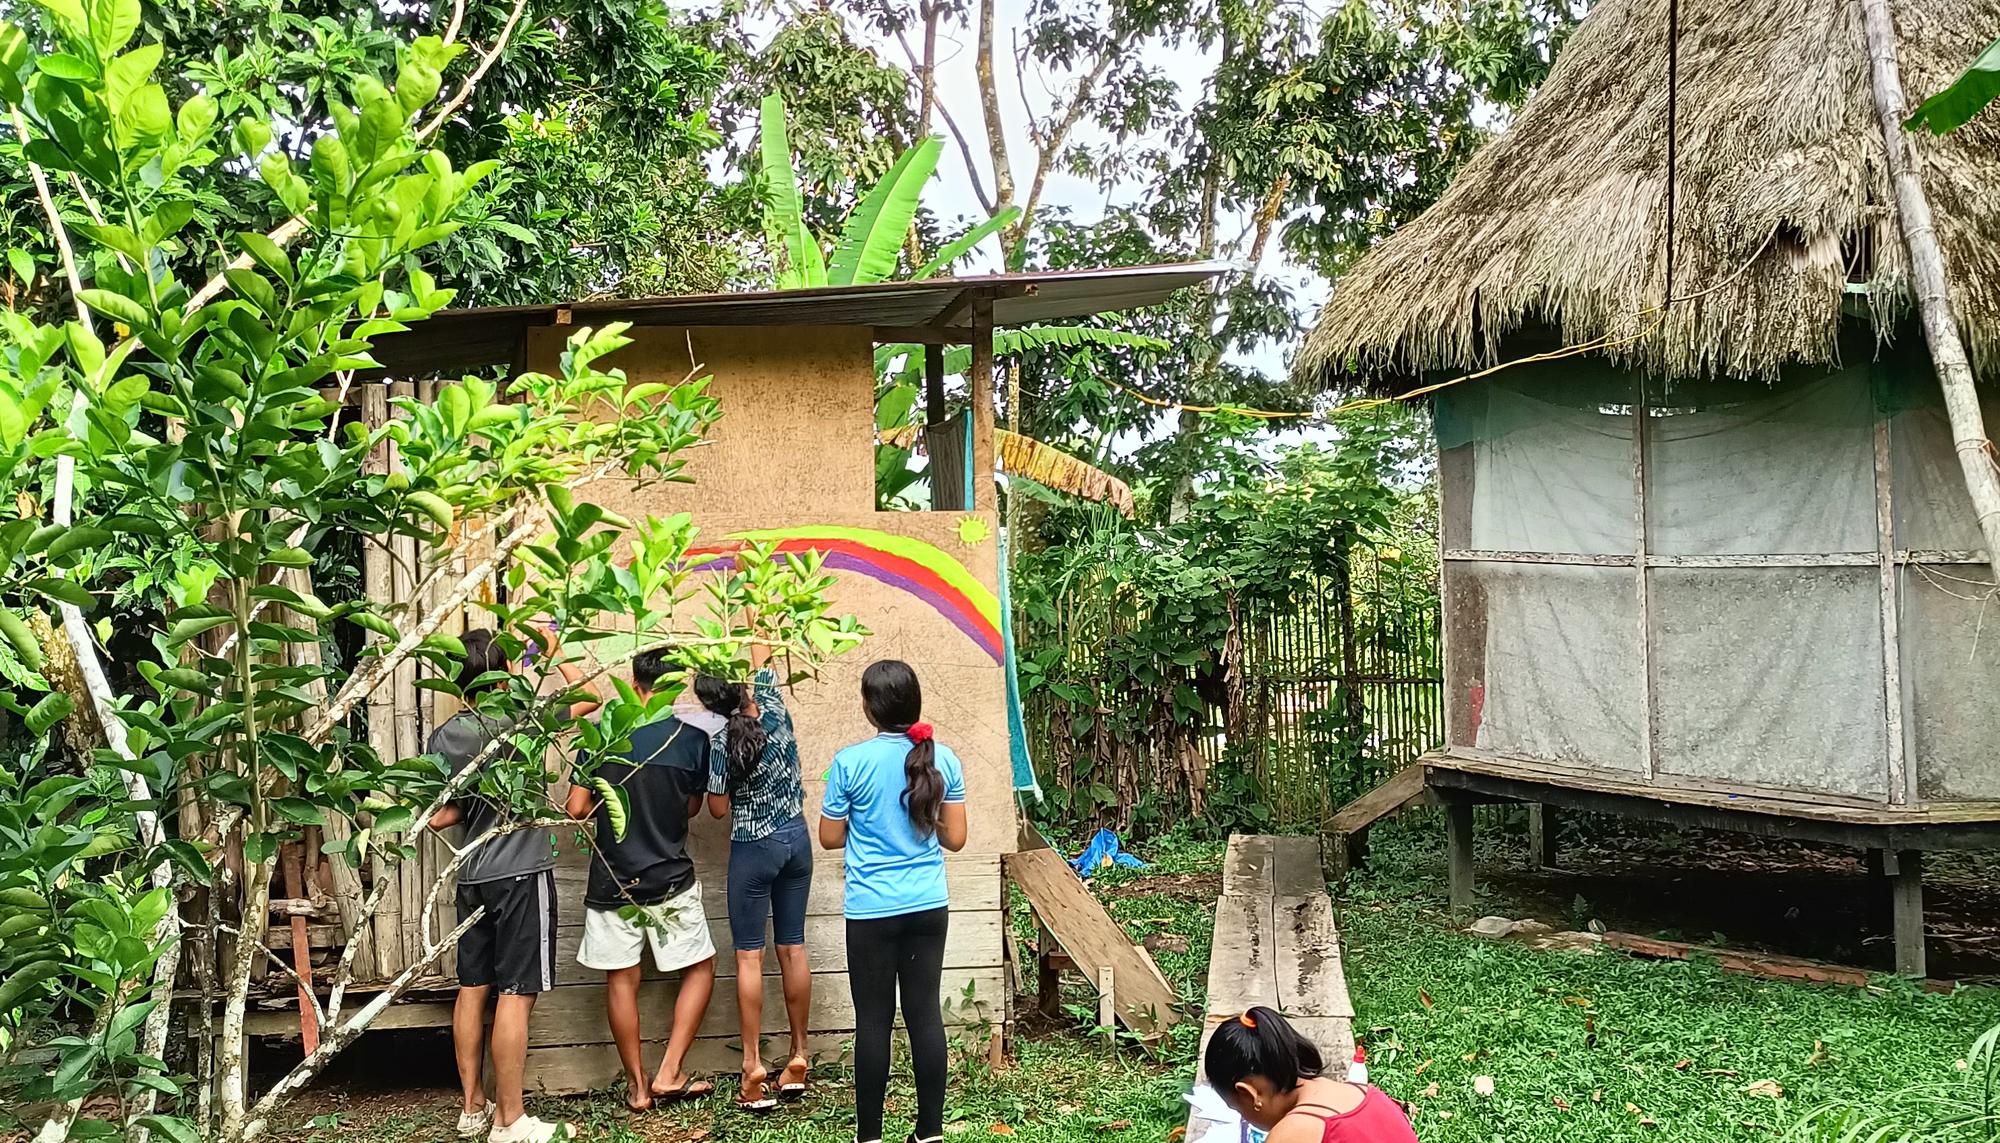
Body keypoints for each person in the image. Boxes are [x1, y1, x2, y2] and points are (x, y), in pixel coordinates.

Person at [429, 625, 598, 1143]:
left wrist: (479, 806)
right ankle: (510, 1121)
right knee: (517, 994)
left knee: (473, 989)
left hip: (473, 872)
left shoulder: (445, 736)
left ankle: (472, 1108)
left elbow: (439, 817)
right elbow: (589, 696)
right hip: (521, 871)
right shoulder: (520, 717)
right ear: (504, 674)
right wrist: (551, 649)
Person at [817, 660, 967, 1143]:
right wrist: (922, 811)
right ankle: (929, 1134)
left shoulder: (849, 762)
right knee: (924, 1012)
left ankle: (869, 1138)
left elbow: (829, 836)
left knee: (874, 1022)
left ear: (868, 708)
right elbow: (957, 840)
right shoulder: (945, 760)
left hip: (871, 912)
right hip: (928, 905)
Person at [564, 646, 717, 1112]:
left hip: (613, 880)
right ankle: (672, 1069)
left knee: (622, 980)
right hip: (671, 879)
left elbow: (576, 809)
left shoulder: (603, 736)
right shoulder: (692, 742)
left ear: (635, 686)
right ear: (675, 689)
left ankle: (638, 1087)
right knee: (701, 967)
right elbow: (692, 807)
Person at [701, 642, 812, 1111]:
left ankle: (752, 1066)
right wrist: (750, 574)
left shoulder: (718, 743)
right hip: (797, 840)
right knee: (793, 946)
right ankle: (800, 1053)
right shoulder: (774, 705)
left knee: (750, 957)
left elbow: (719, 807)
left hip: (754, 847)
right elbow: (762, 649)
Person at [1203, 1007, 1418, 1143]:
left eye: (1239, 1110)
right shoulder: (1366, 1093)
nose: (1244, 1118)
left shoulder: (1293, 1134)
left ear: (1250, 1094)